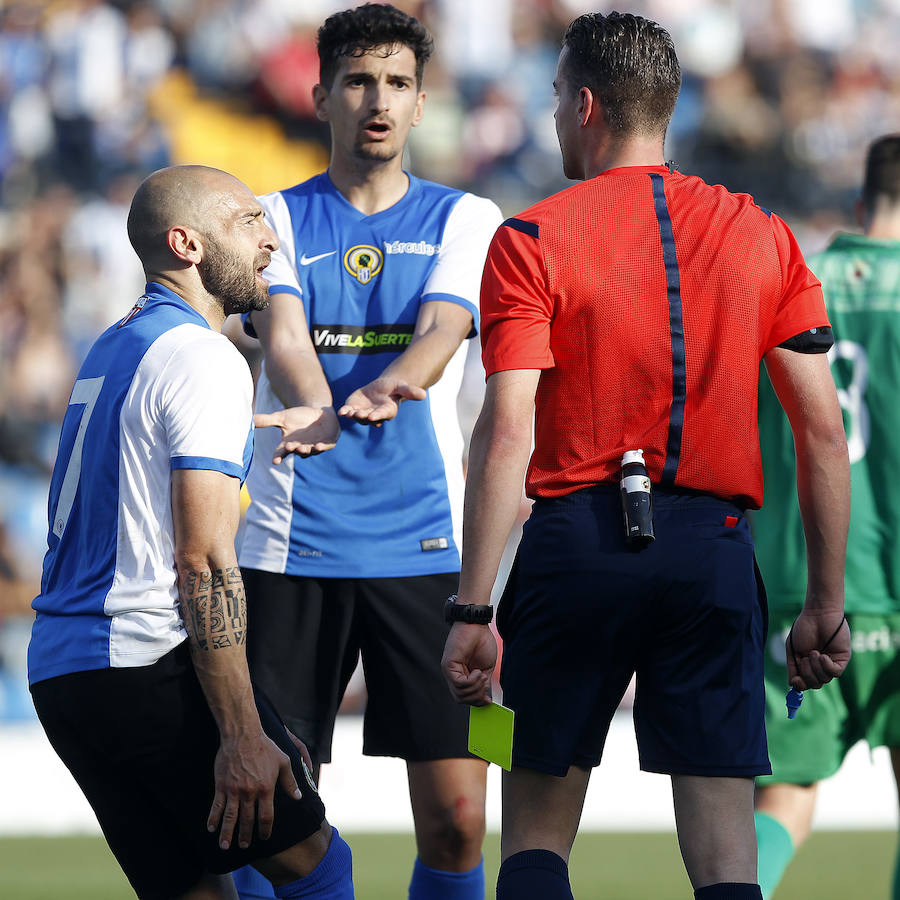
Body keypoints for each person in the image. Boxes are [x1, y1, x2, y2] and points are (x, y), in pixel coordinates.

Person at [440, 12, 852, 900]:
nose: (554, 117)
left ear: (584, 104)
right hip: (713, 550)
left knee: (538, 842)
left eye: (555, 98)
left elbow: (507, 429)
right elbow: (820, 429)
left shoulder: (529, 238)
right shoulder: (763, 232)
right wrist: (826, 603)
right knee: (726, 860)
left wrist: (473, 606)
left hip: (576, 547)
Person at [232, 5, 503, 900]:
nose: (375, 100)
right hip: (287, 545)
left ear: (422, 104)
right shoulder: (271, 214)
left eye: (394, 83)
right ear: (321, 96)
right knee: (272, 812)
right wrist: (316, 401)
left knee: (463, 816)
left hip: (431, 551)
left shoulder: (469, 215)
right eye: (357, 81)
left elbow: (446, 324)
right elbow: (283, 330)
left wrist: (397, 384)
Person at [27, 165, 354, 900]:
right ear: (186, 243)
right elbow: (203, 561)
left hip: (66, 676)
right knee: (317, 867)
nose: (270, 239)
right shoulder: (203, 356)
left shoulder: (115, 344)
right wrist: (242, 729)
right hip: (145, 660)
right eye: (246, 221)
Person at [753, 134, 900, 900]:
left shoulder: (792, 279)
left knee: (784, 797)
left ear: (858, 204)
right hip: (897, 584)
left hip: (799, 586)